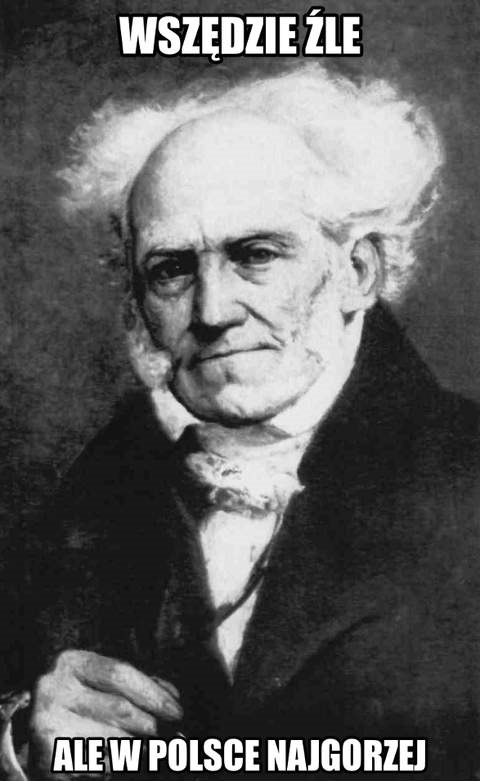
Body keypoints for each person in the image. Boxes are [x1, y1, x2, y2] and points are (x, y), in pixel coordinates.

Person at [5, 64, 480, 779]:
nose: (211, 310)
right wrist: (21, 748)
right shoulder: (79, 506)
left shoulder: (465, 477)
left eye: (256, 255)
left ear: (358, 272)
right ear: (135, 303)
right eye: (171, 269)